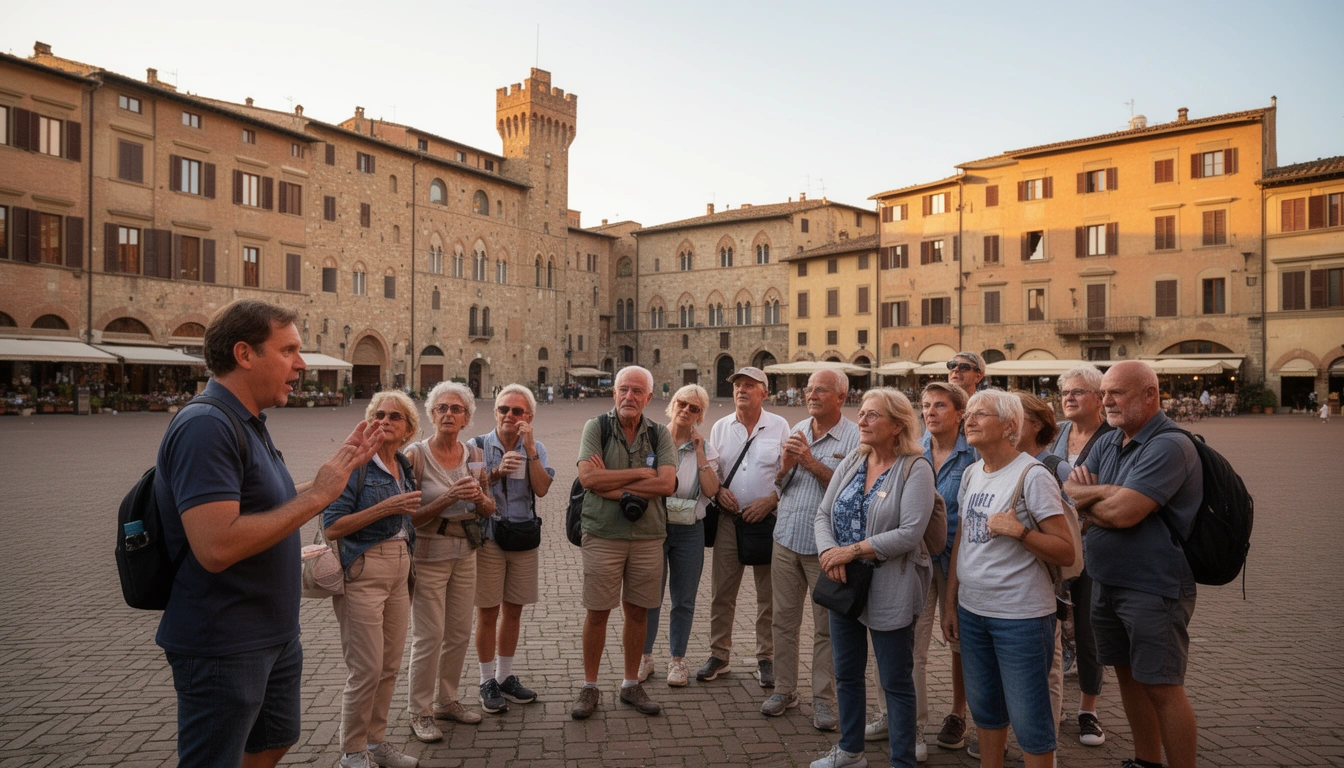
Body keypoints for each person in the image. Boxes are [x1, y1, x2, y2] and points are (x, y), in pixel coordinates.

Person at [153, 299, 381, 768]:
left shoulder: (247, 421)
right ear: (244, 354)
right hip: (225, 640)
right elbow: (217, 545)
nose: (301, 364)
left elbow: (263, 504)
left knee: (274, 740)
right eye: (288, 350)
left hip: (270, 632)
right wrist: (318, 497)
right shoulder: (206, 426)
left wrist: (332, 479)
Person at [1065, 361, 1203, 768]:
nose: (1106, 401)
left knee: (1161, 686)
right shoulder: (1110, 440)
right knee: (1127, 675)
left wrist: (1098, 499)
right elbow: (1070, 491)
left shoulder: (1170, 445)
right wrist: (1110, 494)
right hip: (1106, 579)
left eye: (1117, 393)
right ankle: (1146, 761)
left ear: (1150, 394)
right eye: (1104, 393)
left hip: (1152, 586)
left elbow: (1125, 513)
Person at [943, 390, 1076, 768]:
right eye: (968, 414)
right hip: (973, 612)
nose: (969, 420)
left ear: (1009, 426)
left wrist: (1020, 532)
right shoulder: (972, 473)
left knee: (1030, 717)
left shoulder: (1033, 476)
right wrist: (951, 602)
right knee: (986, 712)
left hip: (1020, 617)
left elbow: (1065, 551)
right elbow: (962, 542)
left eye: (980, 414)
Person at [812, 388, 935, 768]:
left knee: (895, 680)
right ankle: (850, 751)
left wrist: (850, 551)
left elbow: (910, 533)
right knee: (847, 672)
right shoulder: (854, 458)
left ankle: (902, 761)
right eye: (862, 413)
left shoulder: (916, 467)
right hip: (843, 582)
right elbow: (823, 514)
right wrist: (828, 553)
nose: (861, 420)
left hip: (890, 583)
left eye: (872, 415)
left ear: (897, 425)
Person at [867, 381, 977, 760]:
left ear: (960, 413)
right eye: (926, 405)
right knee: (905, 642)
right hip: (918, 555)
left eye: (940, 405)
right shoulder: (913, 451)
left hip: (959, 559)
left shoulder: (974, 453)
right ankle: (903, 720)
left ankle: (958, 714)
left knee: (960, 642)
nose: (930, 411)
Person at [322, 391, 423, 768]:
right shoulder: (357, 464)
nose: (384, 421)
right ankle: (352, 753)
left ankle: (376, 743)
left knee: (390, 665)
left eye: (395, 416)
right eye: (378, 415)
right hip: (363, 568)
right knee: (366, 668)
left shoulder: (403, 464)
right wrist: (386, 507)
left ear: (408, 428)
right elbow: (332, 526)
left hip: (400, 568)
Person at [572, 366, 677, 719]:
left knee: (637, 612)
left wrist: (611, 483)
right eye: (623, 389)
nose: (629, 396)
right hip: (603, 534)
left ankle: (631, 683)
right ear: (614, 393)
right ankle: (589, 686)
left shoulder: (660, 434)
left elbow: (666, 485)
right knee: (597, 612)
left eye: (637, 391)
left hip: (648, 537)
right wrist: (640, 474)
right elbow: (587, 478)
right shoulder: (596, 427)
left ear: (649, 397)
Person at [764, 369, 859, 731]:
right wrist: (786, 467)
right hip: (786, 538)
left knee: (827, 628)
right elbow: (781, 485)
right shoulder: (798, 429)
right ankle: (784, 690)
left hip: (826, 549)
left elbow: (850, 493)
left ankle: (823, 699)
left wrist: (809, 462)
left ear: (841, 397)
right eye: (808, 390)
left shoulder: (854, 438)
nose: (811, 395)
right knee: (783, 621)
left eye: (821, 390)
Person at [404, 383, 496, 743]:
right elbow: (408, 517)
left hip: (466, 552)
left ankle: (447, 700)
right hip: (429, 554)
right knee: (429, 635)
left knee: (458, 632)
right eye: (441, 408)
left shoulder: (474, 454)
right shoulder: (416, 455)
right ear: (431, 414)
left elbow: (490, 506)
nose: (448, 414)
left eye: (456, 409)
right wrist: (447, 499)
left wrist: (480, 500)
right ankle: (420, 710)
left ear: (466, 417)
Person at [700, 366, 791, 686]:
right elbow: (713, 470)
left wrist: (772, 500)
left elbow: (789, 473)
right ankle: (719, 655)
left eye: (750, 385)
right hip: (730, 520)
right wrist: (718, 492)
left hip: (767, 521)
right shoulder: (721, 427)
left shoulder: (780, 426)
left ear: (764, 392)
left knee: (769, 595)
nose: (741, 389)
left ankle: (766, 657)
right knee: (722, 592)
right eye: (738, 384)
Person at [472, 384, 554, 711]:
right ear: (495, 412)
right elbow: (471, 491)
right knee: (488, 611)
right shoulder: (477, 447)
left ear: (528, 417)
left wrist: (530, 449)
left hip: (522, 536)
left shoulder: (538, 447)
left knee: (514, 610)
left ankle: (504, 677)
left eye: (517, 411)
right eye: (504, 409)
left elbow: (542, 488)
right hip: (489, 537)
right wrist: (495, 473)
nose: (509, 415)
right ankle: (486, 680)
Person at [1047, 365, 1113, 747]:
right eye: (1065, 392)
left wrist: (1082, 496)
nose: (1068, 398)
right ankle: (1051, 701)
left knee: (1089, 631)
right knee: (1052, 628)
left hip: (1093, 548)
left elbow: (1113, 492)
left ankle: (1088, 710)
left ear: (1099, 397)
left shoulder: (1113, 437)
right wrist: (1085, 491)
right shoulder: (1057, 432)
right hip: (1057, 544)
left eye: (1078, 391)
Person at [639, 384, 720, 687]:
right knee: (650, 597)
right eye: (682, 404)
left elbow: (711, 490)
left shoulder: (705, 448)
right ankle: (645, 658)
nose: (686, 411)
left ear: (700, 415)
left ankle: (677, 660)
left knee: (684, 599)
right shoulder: (652, 439)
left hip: (689, 530)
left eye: (694, 408)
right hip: (653, 527)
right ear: (672, 404)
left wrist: (698, 452)